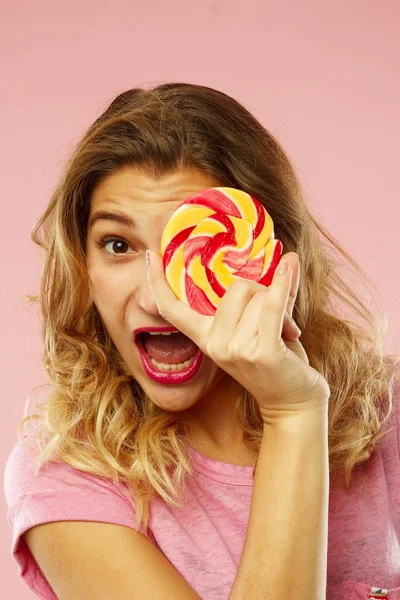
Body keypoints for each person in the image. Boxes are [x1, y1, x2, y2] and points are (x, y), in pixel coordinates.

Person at [3, 82, 400, 600]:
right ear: (84, 266)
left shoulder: (384, 412)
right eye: (118, 245)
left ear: (266, 257)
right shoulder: (65, 474)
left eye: (191, 244)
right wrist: (293, 413)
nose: (155, 296)